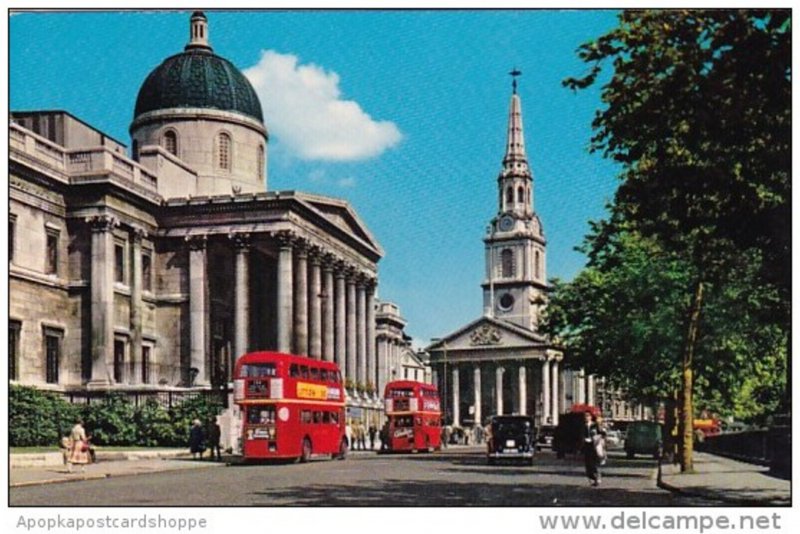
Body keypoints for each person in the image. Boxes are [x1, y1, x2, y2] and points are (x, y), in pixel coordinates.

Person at [582, 411, 606, 486]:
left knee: (594, 463)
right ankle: (592, 477)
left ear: (591, 417)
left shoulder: (595, 425)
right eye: (585, 416)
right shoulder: (583, 426)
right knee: (588, 463)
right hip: (586, 445)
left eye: (588, 416)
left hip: (594, 445)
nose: (586, 418)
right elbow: (580, 436)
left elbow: (602, 434)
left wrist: (597, 437)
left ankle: (597, 477)